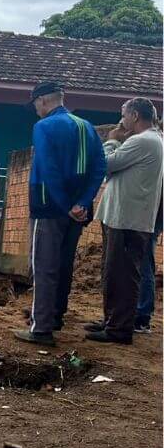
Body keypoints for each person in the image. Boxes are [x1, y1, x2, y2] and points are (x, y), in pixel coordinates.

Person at [14, 81, 106, 346]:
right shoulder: (86, 127)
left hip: (49, 208)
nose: (35, 110)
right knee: (64, 264)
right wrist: (82, 203)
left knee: (44, 266)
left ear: (42, 101)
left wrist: (66, 205)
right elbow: (100, 167)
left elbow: (49, 170)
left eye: (35, 104)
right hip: (78, 212)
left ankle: (41, 329)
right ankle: (55, 316)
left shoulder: (43, 127)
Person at [84, 98, 163, 345]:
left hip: (128, 221)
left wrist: (112, 139)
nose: (121, 121)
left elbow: (105, 164)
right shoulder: (150, 140)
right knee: (114, 273)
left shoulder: (143, 141)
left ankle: (119, 328)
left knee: (123, 276)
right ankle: (112, 321)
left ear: (135, 116)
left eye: (124, 115)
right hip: (124, 218)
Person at [134, 202, 162, 333]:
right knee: (144, 266)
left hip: (151, 215)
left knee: (145, 267)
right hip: (151, 215)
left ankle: (142, 318)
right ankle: (140, 315)